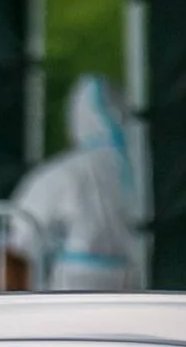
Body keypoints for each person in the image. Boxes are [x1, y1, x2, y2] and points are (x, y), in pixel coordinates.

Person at [9, 76, 145, 291]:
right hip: (134, 277)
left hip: (75, 280)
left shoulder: (65, 171)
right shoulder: (141, 168)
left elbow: (23, 231)